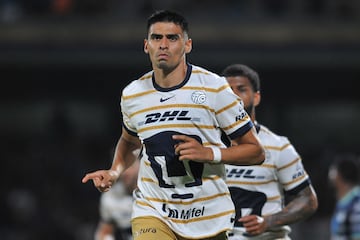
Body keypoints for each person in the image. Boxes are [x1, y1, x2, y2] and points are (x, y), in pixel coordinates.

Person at [82, 10, 265, 240]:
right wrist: (115, 171)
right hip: (154, 209)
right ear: (146, 45)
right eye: (157, 38)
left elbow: (255, 151)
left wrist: (209, 153)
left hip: (207, 215)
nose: (163, 45)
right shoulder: (132, 94)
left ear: (187, 45)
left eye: (172, 38)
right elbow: (130, 142)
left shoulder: (214, 88)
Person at [222, 64, 318, 239]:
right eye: (228, 90)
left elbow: (308, 200)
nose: (234, 96)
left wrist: (268, 222)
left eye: (241, 89)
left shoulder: (278, 146)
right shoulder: (208, 146)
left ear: (256, 97)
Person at [95, 158, 140, 240]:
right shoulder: (110, 197)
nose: (125, 172)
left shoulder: (157, 192)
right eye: (121, 168)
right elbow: (105, 231)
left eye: (129, 166)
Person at [328, 153, 360, 240]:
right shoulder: (344, 202)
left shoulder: (356, 202)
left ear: (339, 174)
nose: (330, 173)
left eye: (333, 169)